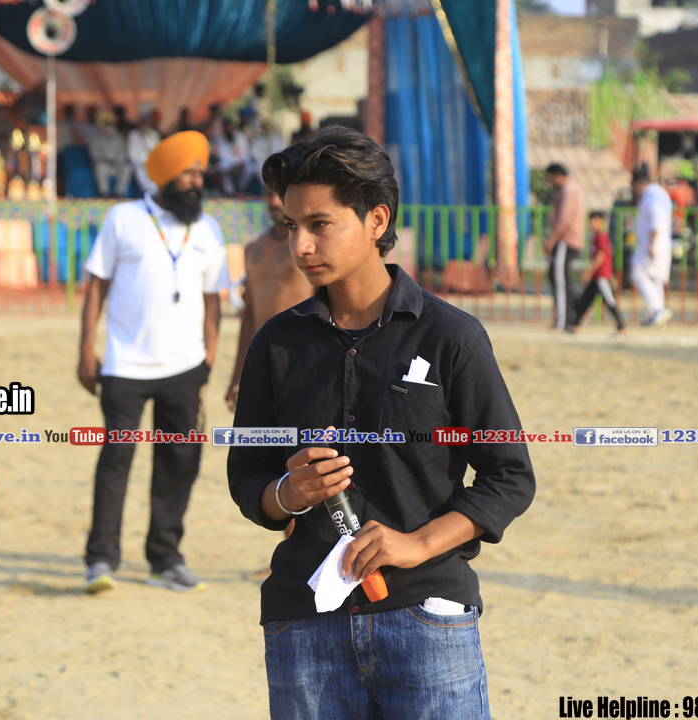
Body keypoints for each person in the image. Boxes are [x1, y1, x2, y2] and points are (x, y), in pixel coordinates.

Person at [228, 126, 535, 719]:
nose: (300, 246)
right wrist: (289, 492)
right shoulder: (275, 344)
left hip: (427, 620)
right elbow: (247, 478)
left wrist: (417, 544)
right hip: (303, 626)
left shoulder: (451, 337)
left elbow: (509, 477)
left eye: (320, 224)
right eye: (292, 226)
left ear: (376, 220)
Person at [79, 131, 231, 594]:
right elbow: (97, 285)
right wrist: (85, 348)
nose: (197, 181)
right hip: (125, 366)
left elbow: (213, 298)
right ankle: (101, 559)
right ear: (164, 175)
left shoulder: (208, 229)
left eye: (201, 172)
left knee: (180, 462)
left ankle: (164, 560)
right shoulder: (123, 218)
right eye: (188, 173)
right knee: (117, 460)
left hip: (186, 368)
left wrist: (209, 355)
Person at [225, 189, 315, 410]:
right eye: (268, 194)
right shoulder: (253, 248)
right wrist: (237, 377)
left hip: (303, 363)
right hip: (263, 362)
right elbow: (249, 316)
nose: (274, 202)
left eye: (280, 194)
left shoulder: (309, 250)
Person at [542, 163, 585, 331]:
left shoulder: (569, 189)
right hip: (568, 240)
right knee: (560, 278)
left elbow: (564, 220)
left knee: (559, 279)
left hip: (566, 240)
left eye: (551, 177)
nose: (551, 181)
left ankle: (562, 320)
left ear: (558, 175)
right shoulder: (571, 189)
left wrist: (551, 241)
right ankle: (572, 315)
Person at [569, 211, 626, 335]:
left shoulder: (601, 236)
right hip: (596, 276)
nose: (591, 224)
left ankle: (621, 326)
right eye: (590, 221)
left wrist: (589, 272)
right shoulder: (595, 236)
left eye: (594, 221)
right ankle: (575, 325)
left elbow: (601, 256)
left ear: (601, 221)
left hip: (602, 275)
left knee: (609, 300)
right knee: (585, 300)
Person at [630, 167, 674, 327]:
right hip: (657, 243)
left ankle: (657, 309)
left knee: (638, 272)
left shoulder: (653, 196)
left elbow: (657, 221)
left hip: (654, 243)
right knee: (655, 278)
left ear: (640, 183)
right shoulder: (657, 193)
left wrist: (653, 243)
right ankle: (657, 314)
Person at [89, 111, 130, 198]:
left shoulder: (119, 137)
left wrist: (116, 160)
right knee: (99, 167)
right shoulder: (96, 138)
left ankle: (119, 193)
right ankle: (104, 193)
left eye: (110, 124)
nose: (108, 126)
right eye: (106, 124)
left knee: (127, 167)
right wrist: (106, 159)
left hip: (117, 164)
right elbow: (94, 154)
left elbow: (123, 153)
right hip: (104, 164)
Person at [128, 109, 162, 195]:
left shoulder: (154, 134)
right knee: (141, 175)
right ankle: (149, 193)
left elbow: (156, 150)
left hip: (152, 163)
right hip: (139, 164)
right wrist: (142, 162)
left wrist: (145, 137)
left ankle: (154, 194)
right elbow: (132, 153)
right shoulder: (133, 134)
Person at [214, 118, 250, 196]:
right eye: (227, 127)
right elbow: (221, 155)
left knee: (250, 168)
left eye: (230, 126)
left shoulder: (240, 136)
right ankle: (230, 192)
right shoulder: (220, 139)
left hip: (241, 162)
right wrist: (233, 164)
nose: (229, 128)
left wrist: (239, 162)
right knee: (222, 168)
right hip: (228, 163)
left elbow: (245, 153)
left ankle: (241, 188)